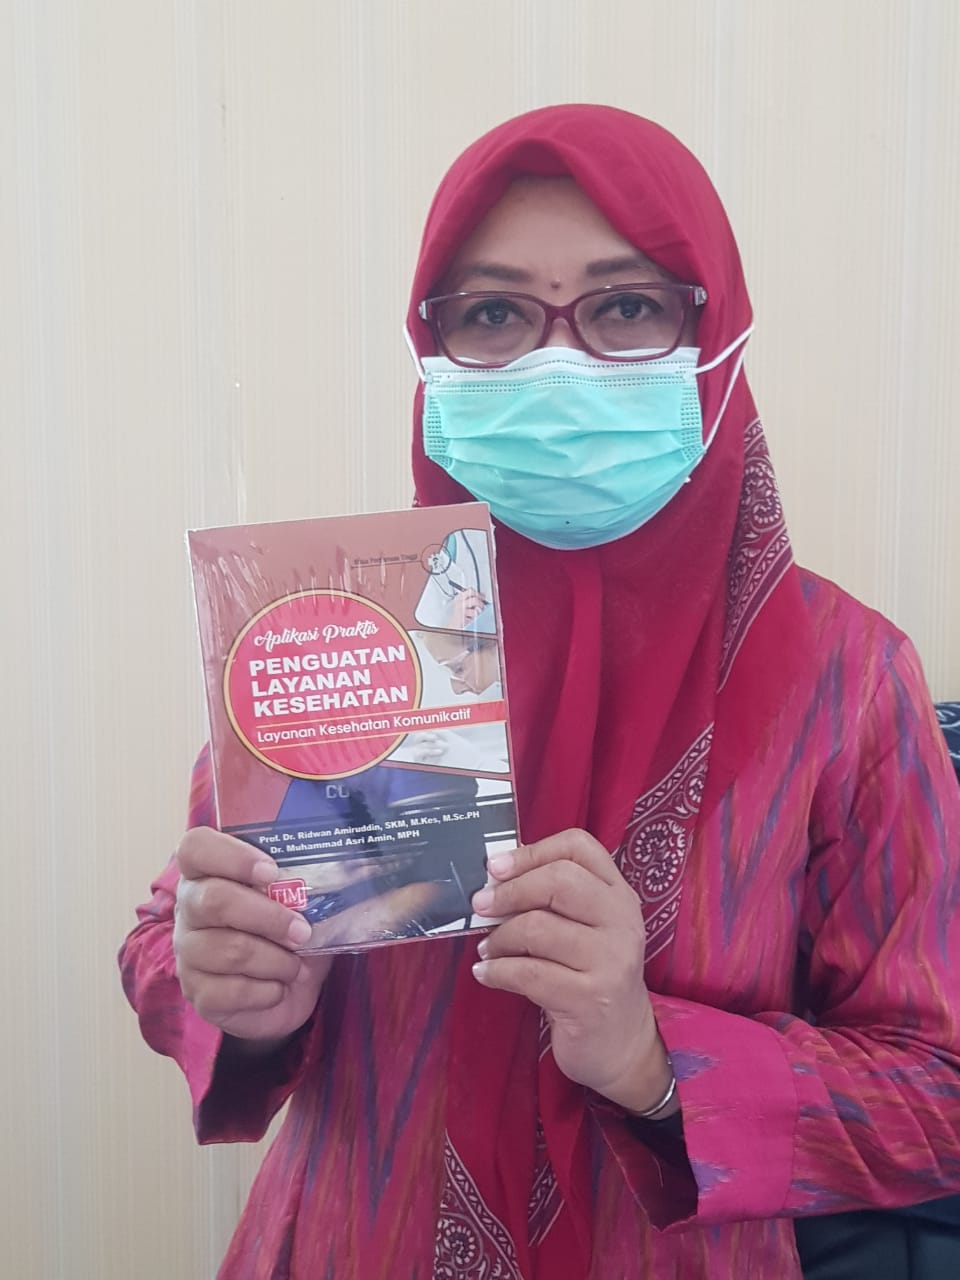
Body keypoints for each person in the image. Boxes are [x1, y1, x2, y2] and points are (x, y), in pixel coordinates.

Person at [119, 105, 960, 1279]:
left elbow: (936, 1087)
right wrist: (230, 990)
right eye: (495, 313)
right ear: (433, 348)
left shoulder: (846, 677)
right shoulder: (349, 632)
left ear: (715, 334)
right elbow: (172, 936)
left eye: (626, 306)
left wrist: (654, 1059)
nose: (555, 364)